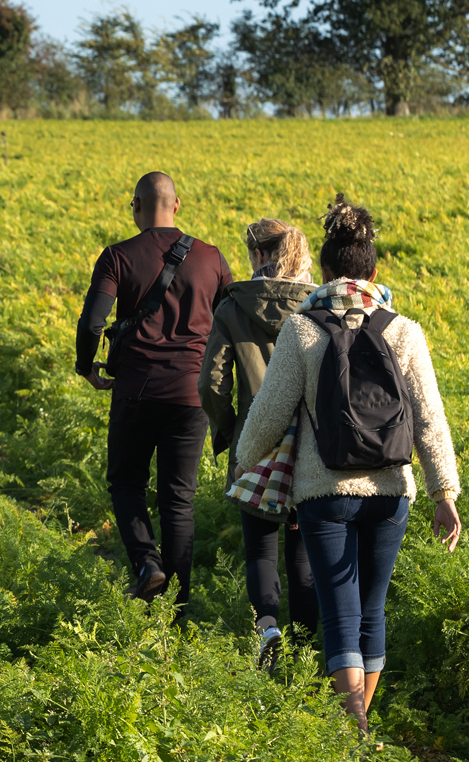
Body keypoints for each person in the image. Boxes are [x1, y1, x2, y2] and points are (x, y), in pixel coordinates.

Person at [229, 194, 462, 733]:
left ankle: (352, 728)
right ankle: (360, 724)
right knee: (371, 612)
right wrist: (442, 494)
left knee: (339, 615)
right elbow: (430, 420)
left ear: (325, 272)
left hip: (323, 493)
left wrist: (245, 461)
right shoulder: (404, 331)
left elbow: (267, 416)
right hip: (390, 491)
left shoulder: (302, 329)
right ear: (375, 271)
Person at [75, 172, 235, 603]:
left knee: (126, 484)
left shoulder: (117, 257)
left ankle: (147, 564)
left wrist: (85, 366)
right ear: (177, 205)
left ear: (136, 206)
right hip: (191, 396)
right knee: (178, 502)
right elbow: (231, 325)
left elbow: (93, 322)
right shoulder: (211, 258)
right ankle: (178, 609)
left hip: (135, 390)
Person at [200, 219, 319, 667]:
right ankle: (306, 656)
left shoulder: (234, 306)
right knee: (304, 554)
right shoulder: (318, 306)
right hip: (310, 446)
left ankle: (268, 629)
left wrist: (231, 433)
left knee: (260, 549)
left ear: (256, 256)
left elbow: (211, 383)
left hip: (256, 441)